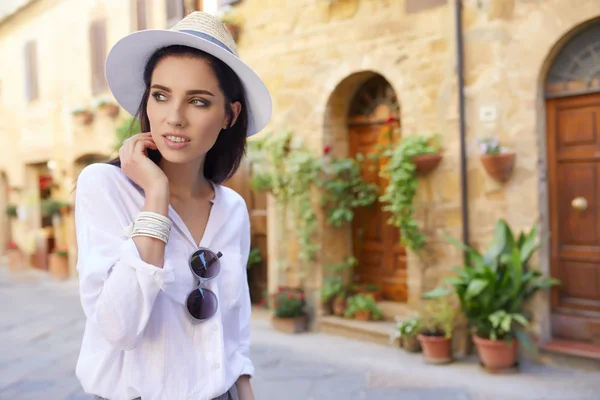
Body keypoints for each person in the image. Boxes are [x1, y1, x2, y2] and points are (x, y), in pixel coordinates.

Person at [74, 11, 271, 400]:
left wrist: (245, 389)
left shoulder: (231, 208)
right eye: (161, 95)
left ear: (230, 114)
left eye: (198, 101)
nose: (174, 118)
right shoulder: (104, 186)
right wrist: (156, 196)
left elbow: (234, 322)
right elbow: (119, 328)